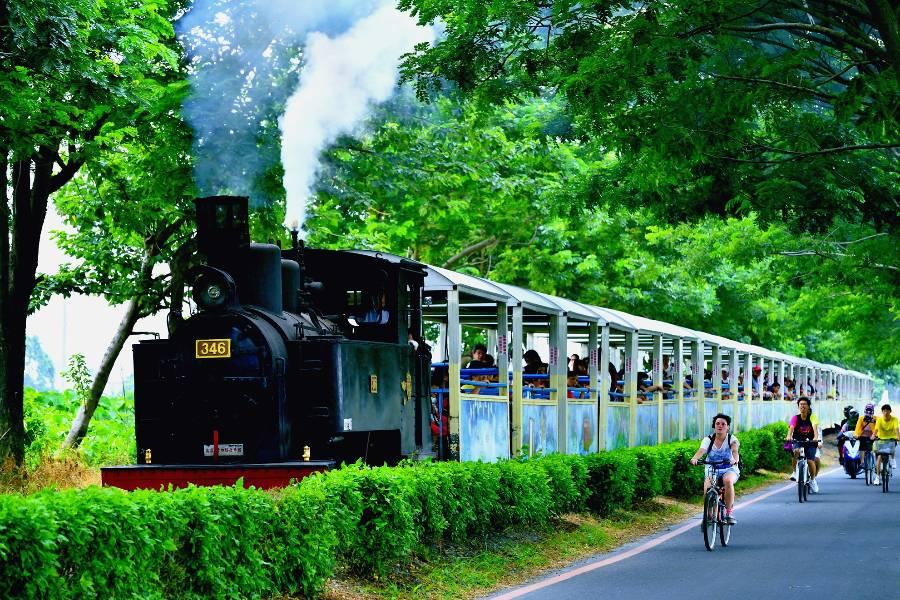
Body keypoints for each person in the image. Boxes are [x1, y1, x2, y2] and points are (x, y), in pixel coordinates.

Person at [690, 413, 740, 524]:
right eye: (717, 423)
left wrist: (735, 460)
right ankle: (709, 515)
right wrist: (695, 458)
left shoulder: (732, 439)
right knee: (707, 488)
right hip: (712, 467)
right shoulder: (708, 439)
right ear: (714, 426)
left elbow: (735, 450)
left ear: (728, 427)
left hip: (729, 468)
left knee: (728, 481)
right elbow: (701, 450)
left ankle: (728, 513)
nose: (720, 426)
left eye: (723, 424)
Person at [786, 397, 820, 492]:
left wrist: (815, 438)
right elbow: (791, 428)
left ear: (808, 406)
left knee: (810, 461)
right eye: (801, 404)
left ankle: (812, 480)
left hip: (810, 441)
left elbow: (814, 428)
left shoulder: (812, 417)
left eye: (805, 404)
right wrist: (789, 436)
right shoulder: (795, 418)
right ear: (798, 406)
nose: (802, 406)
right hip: (798, 440)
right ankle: (795, 472)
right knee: (796, 451)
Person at [873, 404, 899, 485]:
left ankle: (893, 460)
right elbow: (876, 429)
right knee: (879, 457)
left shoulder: (895, 419)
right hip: (881, 440)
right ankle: (877, 477)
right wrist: (873, 436)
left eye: (887, 410)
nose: (886, 412)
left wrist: (898, 437)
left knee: (893, 445)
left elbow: (896, 429)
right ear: (882, 412)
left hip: (891, 438)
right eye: (884, 410)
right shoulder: (879, 420)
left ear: (890, 411)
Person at [855, 402, 877, 471]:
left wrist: (876, 435)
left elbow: (878, 428)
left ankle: (877, 464)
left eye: (870, 410)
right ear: (865, 411)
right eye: (867, 410)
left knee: (876, 449)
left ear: (873, 411)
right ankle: (862, 462)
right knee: (861, 447)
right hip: (863, 436)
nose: (868, 412)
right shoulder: (861, 418)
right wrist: (856, 435)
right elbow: (857, 428)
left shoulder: (876, 419)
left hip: (873, 436)